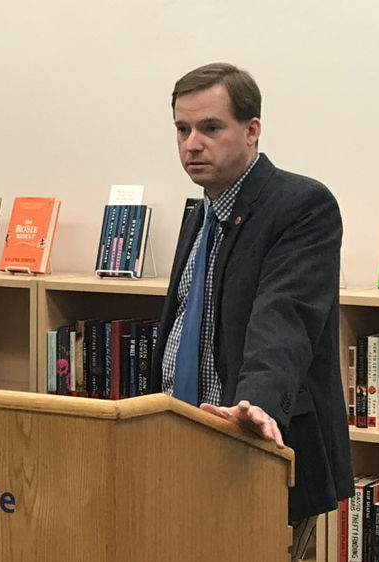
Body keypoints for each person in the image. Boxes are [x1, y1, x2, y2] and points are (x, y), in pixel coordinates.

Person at [150, 63, 352, 560]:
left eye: (210, 128)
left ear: (252, 130)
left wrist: (255, 402)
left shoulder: (302, 205)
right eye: (182, 129)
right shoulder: (200, 213)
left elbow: (284, 319)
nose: (192, 144)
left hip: (260, 446)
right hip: (189, 448)